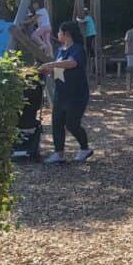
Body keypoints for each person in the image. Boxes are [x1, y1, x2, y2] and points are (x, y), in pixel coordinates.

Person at [39, 21, 93, 164]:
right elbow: (58, 68)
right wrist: (48, 70)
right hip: (61, 93)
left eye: (59, 32)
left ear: (66, 34)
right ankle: (59, 153)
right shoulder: (60, 50)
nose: (57, 34)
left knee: (72, 124)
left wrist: (51, 64)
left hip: (76, 94)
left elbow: (72, 63)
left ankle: (85, 148)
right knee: (56, 122)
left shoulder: (78, 49)